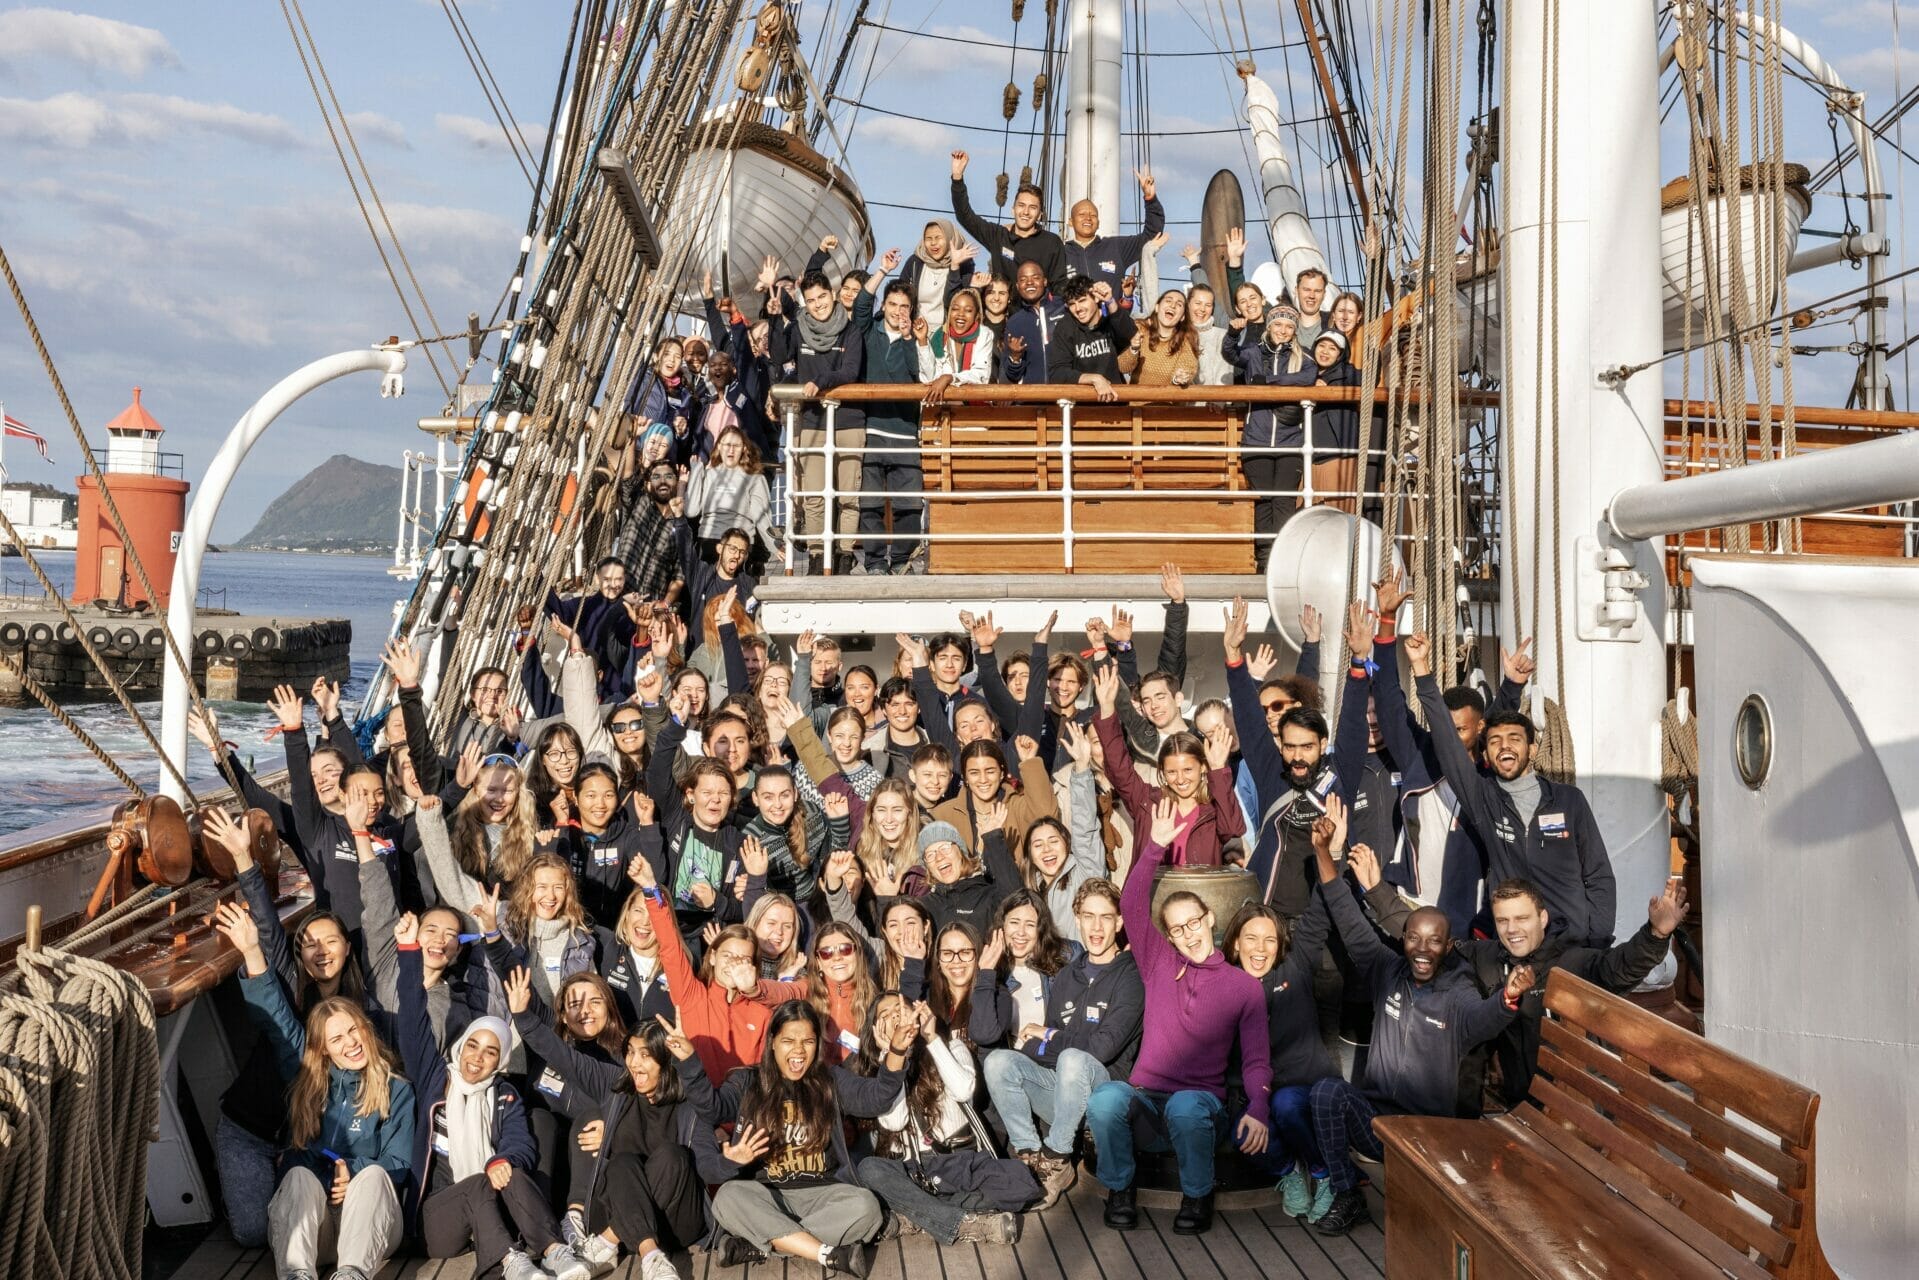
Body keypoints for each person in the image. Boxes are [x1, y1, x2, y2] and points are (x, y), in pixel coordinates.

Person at [1306, 818, 1535, 1236]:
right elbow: (1345, 913)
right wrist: (1323, 851)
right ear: (1404, 940)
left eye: (1434, 941)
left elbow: (1484, 1018)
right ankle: (1347, 1193)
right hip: (1378, 1123)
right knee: (1325, 1093)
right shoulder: (1385, 969)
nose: (1422, 949)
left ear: (1448, 946)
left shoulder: (1457, 993)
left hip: (1428, 1134)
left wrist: (1509, 996)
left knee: (1422, 1227)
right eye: (1414, 938)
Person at [1354, 853, 1684, 1108]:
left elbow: (1619, 968)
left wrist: (1656, 934)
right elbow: (1427, 941)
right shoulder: (1486, 958)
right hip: (1515, 1107)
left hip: (1574, 1107)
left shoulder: (1571, 962)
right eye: (1503, 921)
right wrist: (1377, 892)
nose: (1512, 929)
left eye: (1522, 918)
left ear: (1543, 918)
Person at [1086, 799, 1271, 1236]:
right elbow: (1132, 904)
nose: (1188, 934)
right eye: (1177, 928)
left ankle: (1197, 1195)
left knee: (1188, 1106)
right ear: (1168, 936)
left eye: (1194, 923)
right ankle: (1121, 1190)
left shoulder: (1244, 987)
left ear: (1210, 919)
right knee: (1105, 1099)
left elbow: (1257, 1061)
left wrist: (1259, 1107)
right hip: (1147, 1102)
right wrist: (1154, 846)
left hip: (1200, 1107)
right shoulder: (1159, 964)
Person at [223, 900, 414, 1280]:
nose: (351, 1043)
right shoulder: (309, 1080)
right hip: (320, 1229)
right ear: (323, 1050)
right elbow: (277, 1017)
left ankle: (351, 1275)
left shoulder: (396, 1090)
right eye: (337, 1039)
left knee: (373, 1176)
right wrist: (251, 950)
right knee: (296, 1176)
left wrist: (353, 1172)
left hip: (371, 1228)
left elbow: (400, 1163)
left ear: (367, 1030)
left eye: (354, 1031)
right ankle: (297, 1274)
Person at [394, 920, 590, 1280]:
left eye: (490, 1052)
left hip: (490, 1213)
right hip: (437, 1221)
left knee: (507, 1171)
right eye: (473, 1045)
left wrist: (503, 1159)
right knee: (480, 1182)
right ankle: (509, 1262)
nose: (477, 1057)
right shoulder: (436, 1078)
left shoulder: (504, 1093)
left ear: (499, 1062)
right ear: (461, 1046)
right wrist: (408, 952)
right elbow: (411, 1020)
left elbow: (520, 1143)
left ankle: (555, 1252)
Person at [1406, 631, 1617, 945]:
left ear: (1532, 749)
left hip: (1572, 947)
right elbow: (1447, 742)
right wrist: (1422, 670)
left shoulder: (1569, 800)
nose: (1504, 746)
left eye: (1514, 739)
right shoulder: (1484, 799)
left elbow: (1598, 874)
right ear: (1486, 752)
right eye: (1494, 741)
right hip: (1514, 948)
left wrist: (1596, 940)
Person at [704, 1001, 907, 1275]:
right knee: (728, 1197)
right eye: (788, 1041)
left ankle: (759, 1245)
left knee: (867, 1207)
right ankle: (826, 1254)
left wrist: (897, 1050)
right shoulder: (748, 1081)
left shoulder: (831, 1080)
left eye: (808, 1041)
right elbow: (712, 1107)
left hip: (824, 1194)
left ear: (818, 1044)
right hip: (767, 1195)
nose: (799, 1050)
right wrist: (688, 1063)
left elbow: (877, 1098)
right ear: (772, 1042)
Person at [983, 877, 1142, 1209]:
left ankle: (1056, 1158)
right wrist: (1046, 1040)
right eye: (1088, 916)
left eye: (1105, 917)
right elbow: (1038, 1049)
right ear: (1077, 919)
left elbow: (1104, 1048)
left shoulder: (1130, 976)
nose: (1096, 927)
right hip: (1064, 1091)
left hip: (1106, 1093)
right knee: (999, 1062)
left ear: (1119, 922)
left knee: (1072, 1058)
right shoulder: (1069, 975)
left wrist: (1050, 1037)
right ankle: (1031, 1158)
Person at [854, 993, 1035, 1245]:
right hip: (915, 1171)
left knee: (1021, 1184)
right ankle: (961, 1222)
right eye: (886, 1015)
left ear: (919, 1013)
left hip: (959, 1162)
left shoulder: (952, 1047)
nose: (896, 1017)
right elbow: (894, 1122)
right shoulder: (878, 1071)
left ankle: (918, 1216)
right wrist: (894, 1056)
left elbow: (963, 1090)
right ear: (876, 1030)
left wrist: (931, 1039)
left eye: (901, 1010)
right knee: (869, 1169)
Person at [567, 1014, 721, 1280]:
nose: (634, 1063)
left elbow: (709, 1168)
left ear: (666, 1060)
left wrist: (730, 1158)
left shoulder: (691, 1105)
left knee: (672, 1156)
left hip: (675, 1224)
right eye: (630, 1052)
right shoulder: (618, 1093)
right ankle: (652, 1257)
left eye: (645, 1055)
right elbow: (564, 1057)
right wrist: (525, 1016)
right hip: (628, 1217)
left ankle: (607, 1241)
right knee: (622, 1163)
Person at [766, 257, 866, 570]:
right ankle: (816, 554)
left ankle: (845, 555)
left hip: (848, 420)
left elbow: (850, 371)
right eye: (811, 300)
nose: (818, 304)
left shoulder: (851, 331)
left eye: (822, 297)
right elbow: (779, 355)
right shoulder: (798, 328)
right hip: (812, 420)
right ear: (805, 303)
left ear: (832, 295)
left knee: (848, 493)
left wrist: (820, 382)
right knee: (813, 494)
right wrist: (774, 318)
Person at [1091, 664, 1244, 868]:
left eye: (1188, 770)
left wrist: (1218, 769)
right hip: (1153, 889)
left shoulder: (1213, 807)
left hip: (1203, 889)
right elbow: (1119, 767)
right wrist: (1108, 708)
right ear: (1162, 772)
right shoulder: (1147, 802)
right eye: (1172, 771)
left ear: (1202, 768)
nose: (1180, 779)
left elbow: (1232, 830)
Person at [853, 266, 927, 576]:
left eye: (904, 306)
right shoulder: (869, 331)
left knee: (909, 505)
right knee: (869, 503)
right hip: (871, 429)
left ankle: (901, 560)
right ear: (883, 305)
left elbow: (915, 375)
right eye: (893, 304)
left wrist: (910, 339)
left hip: (905, 432)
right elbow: (861, 304)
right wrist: (882, 271)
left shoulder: (916, 338)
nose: (898, 311)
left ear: (912, 310)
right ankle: (874, 562)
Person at [1227, 305, 1316, 560]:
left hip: (1291, 441)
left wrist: (1267, 382)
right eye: (1278, 324)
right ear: (1269, 326)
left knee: (1284, 500)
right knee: (1264, 499)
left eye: (1289, 326)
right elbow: (1230, 354)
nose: (1283, 330)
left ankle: (1283, 557)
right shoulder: (1254, 352)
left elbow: (1307, 378)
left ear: (1294, 331)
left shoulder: (1304, 357)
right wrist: (1232, 334)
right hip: (1256, 439)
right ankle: (1265, 557)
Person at [950, 149, 1066, 291]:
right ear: (1013, 210)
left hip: (1039, 305)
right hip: (1003, 304)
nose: (1026, 212)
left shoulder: (1052, 243)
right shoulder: (998, 236)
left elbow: (1059, 286)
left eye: (1032, 207)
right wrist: (957, 178)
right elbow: (965, 216)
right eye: (1021, 205)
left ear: (1040, 215)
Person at [1061, 168, 1165, 301]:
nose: (1088, 218)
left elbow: (1151, 235)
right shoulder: (1060, 253)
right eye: (1082, 214)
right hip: (1072, 314)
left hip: (1111, 314)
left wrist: (1150, 200)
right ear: (1070, 222)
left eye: (1093, 215)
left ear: (1098, 223)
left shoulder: (1116, 247)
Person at [685, 427, 778, 565]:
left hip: (740, 541)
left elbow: (760, 515)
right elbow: (691, 511)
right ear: (719, 447)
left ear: (744, 448)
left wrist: (774, 545)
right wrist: (696, 472)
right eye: (727, 445)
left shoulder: (755, 478)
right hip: (709, 539)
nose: (731, 450)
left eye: (736, 445)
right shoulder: (707, 475)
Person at [608, 459, 686, 610]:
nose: (663, 481)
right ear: (649, 484)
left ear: (676, 482)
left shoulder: (681, 526)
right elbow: (627, 477)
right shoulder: (637, 502)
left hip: (650, 608)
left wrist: (666, 603)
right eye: (656, 477)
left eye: (668, 476)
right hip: (619, 599)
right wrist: (632, 443)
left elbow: (679, 575)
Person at [1047, 276, 1137, 401]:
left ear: (1096, 298)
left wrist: (1110, 301)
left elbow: (1130, 334)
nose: (1078, 309)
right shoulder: (1065, 326)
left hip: (1115, 402)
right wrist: (1094, 379)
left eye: (1082, 300)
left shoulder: (1110, 319)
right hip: (1081, 406)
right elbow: (1057, 373)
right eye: (1072, 304)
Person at [1000, 260, 1066, 385]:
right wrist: (1015, 358)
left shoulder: (1064, 306)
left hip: (1069, 392)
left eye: (1035, 278)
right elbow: (1012, 375)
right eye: (1023, 279)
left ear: (1045, 281)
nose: (1029, 282)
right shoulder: (1014, 322)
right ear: (1017, 286)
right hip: (1033, 395)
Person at [1117, 289, 1198, 387]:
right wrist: (1134, 349)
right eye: (1168, 300)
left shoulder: (1185, 341)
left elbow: (1188, 368)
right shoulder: (1141, 330)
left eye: (1179, 304)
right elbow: (1122, 367)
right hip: (1138, 396)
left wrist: (1179, 378)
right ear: (1157, 307)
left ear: (1182, 317)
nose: (1173, 305)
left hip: (1168, 396)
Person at [1290, 267, 1333, 348]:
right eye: (1306, 290)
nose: (1311, 296)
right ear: (1296, 291)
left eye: (1317, 291)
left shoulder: (1334, 324)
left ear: (1324, 294)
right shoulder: (1284, 325)